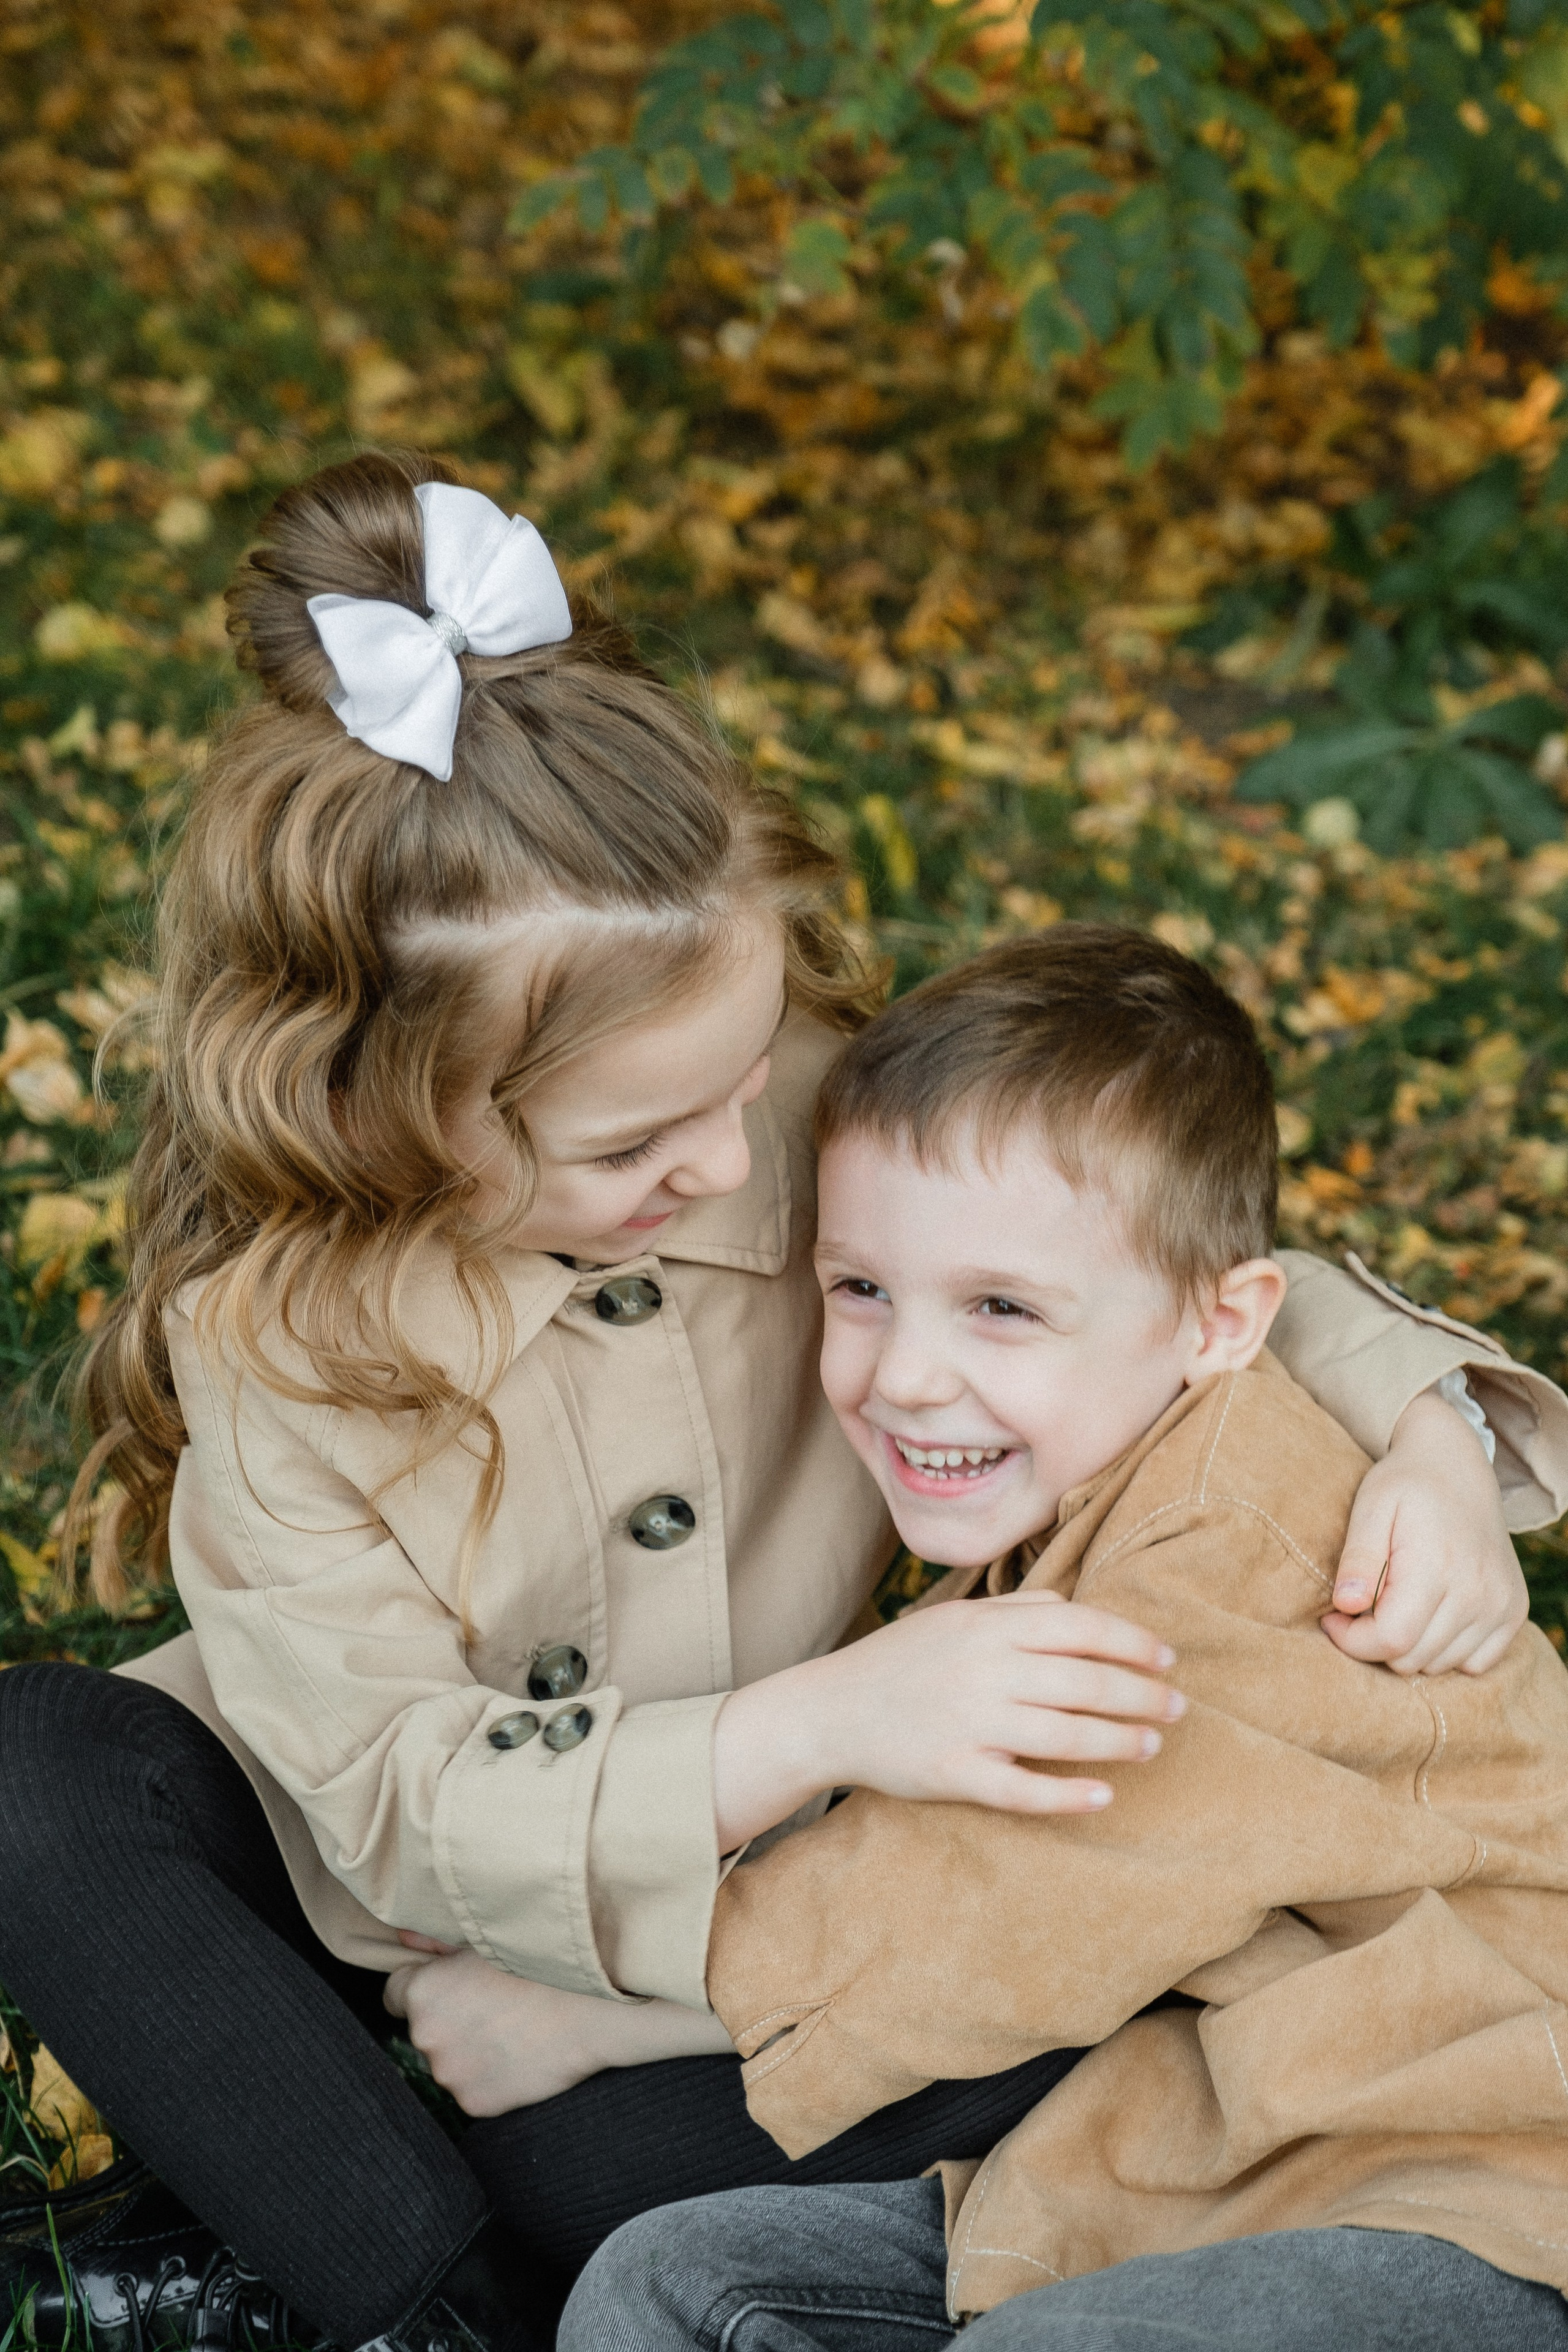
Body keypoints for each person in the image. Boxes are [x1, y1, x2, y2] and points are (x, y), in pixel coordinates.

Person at [0, 451, 1562, 2352]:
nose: (740, 1162)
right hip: (415, 1886)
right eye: (642, 1138)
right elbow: (400, 1808)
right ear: (382, 1109)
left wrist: (1431, 1432)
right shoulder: (286, 1345)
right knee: (36, 1785)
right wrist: (835, 1706)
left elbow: (1139, 1266)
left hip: (810, 1891)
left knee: (914, 2050)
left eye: (752, 1082)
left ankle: (304, 2248)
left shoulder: (791, 1098)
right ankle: (402, 2280)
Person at [559, 929, 1568, 2352]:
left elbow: (1009, 1897)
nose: (905, 1374)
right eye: (859, 1288)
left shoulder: (1231, 1537)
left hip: (1474, 2185)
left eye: (999, 1308)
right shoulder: (1101, 1458)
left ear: (1219, 1326)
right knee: (663, 2288)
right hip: (1176, 2166)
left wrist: (603, 2001)